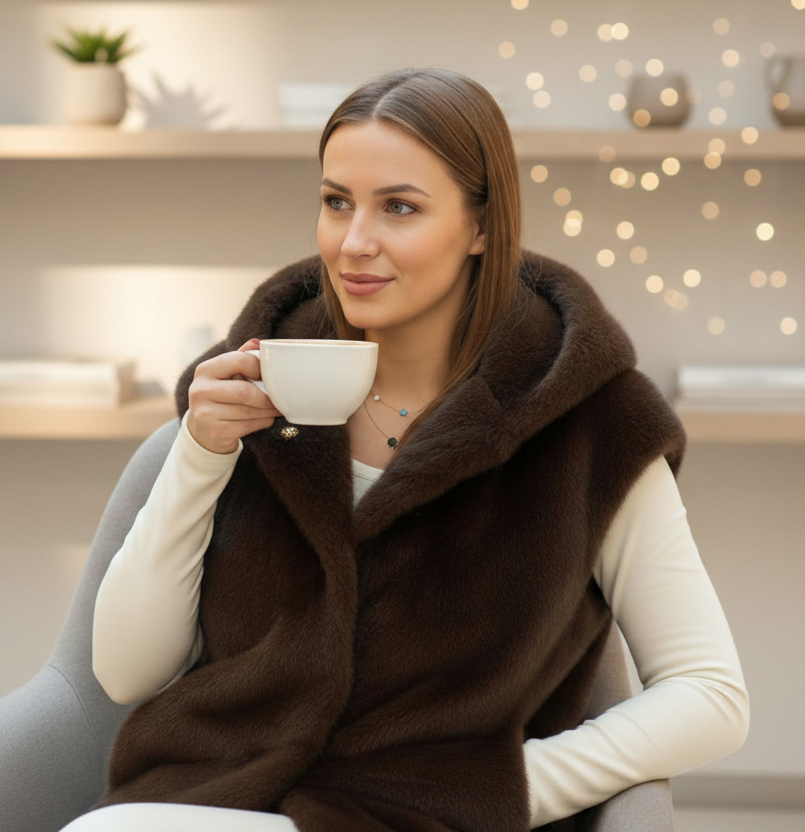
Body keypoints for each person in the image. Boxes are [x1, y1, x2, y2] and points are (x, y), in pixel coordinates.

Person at [63, 68, 748, 831]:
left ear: (482, 226)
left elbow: (712, 694)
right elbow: (126, 674)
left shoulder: (591, 425)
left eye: (399, 208)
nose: (355, 244)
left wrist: (502, 792)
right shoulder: (256, 390)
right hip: (225, 795)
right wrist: (200, 454)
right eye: (335, 203)